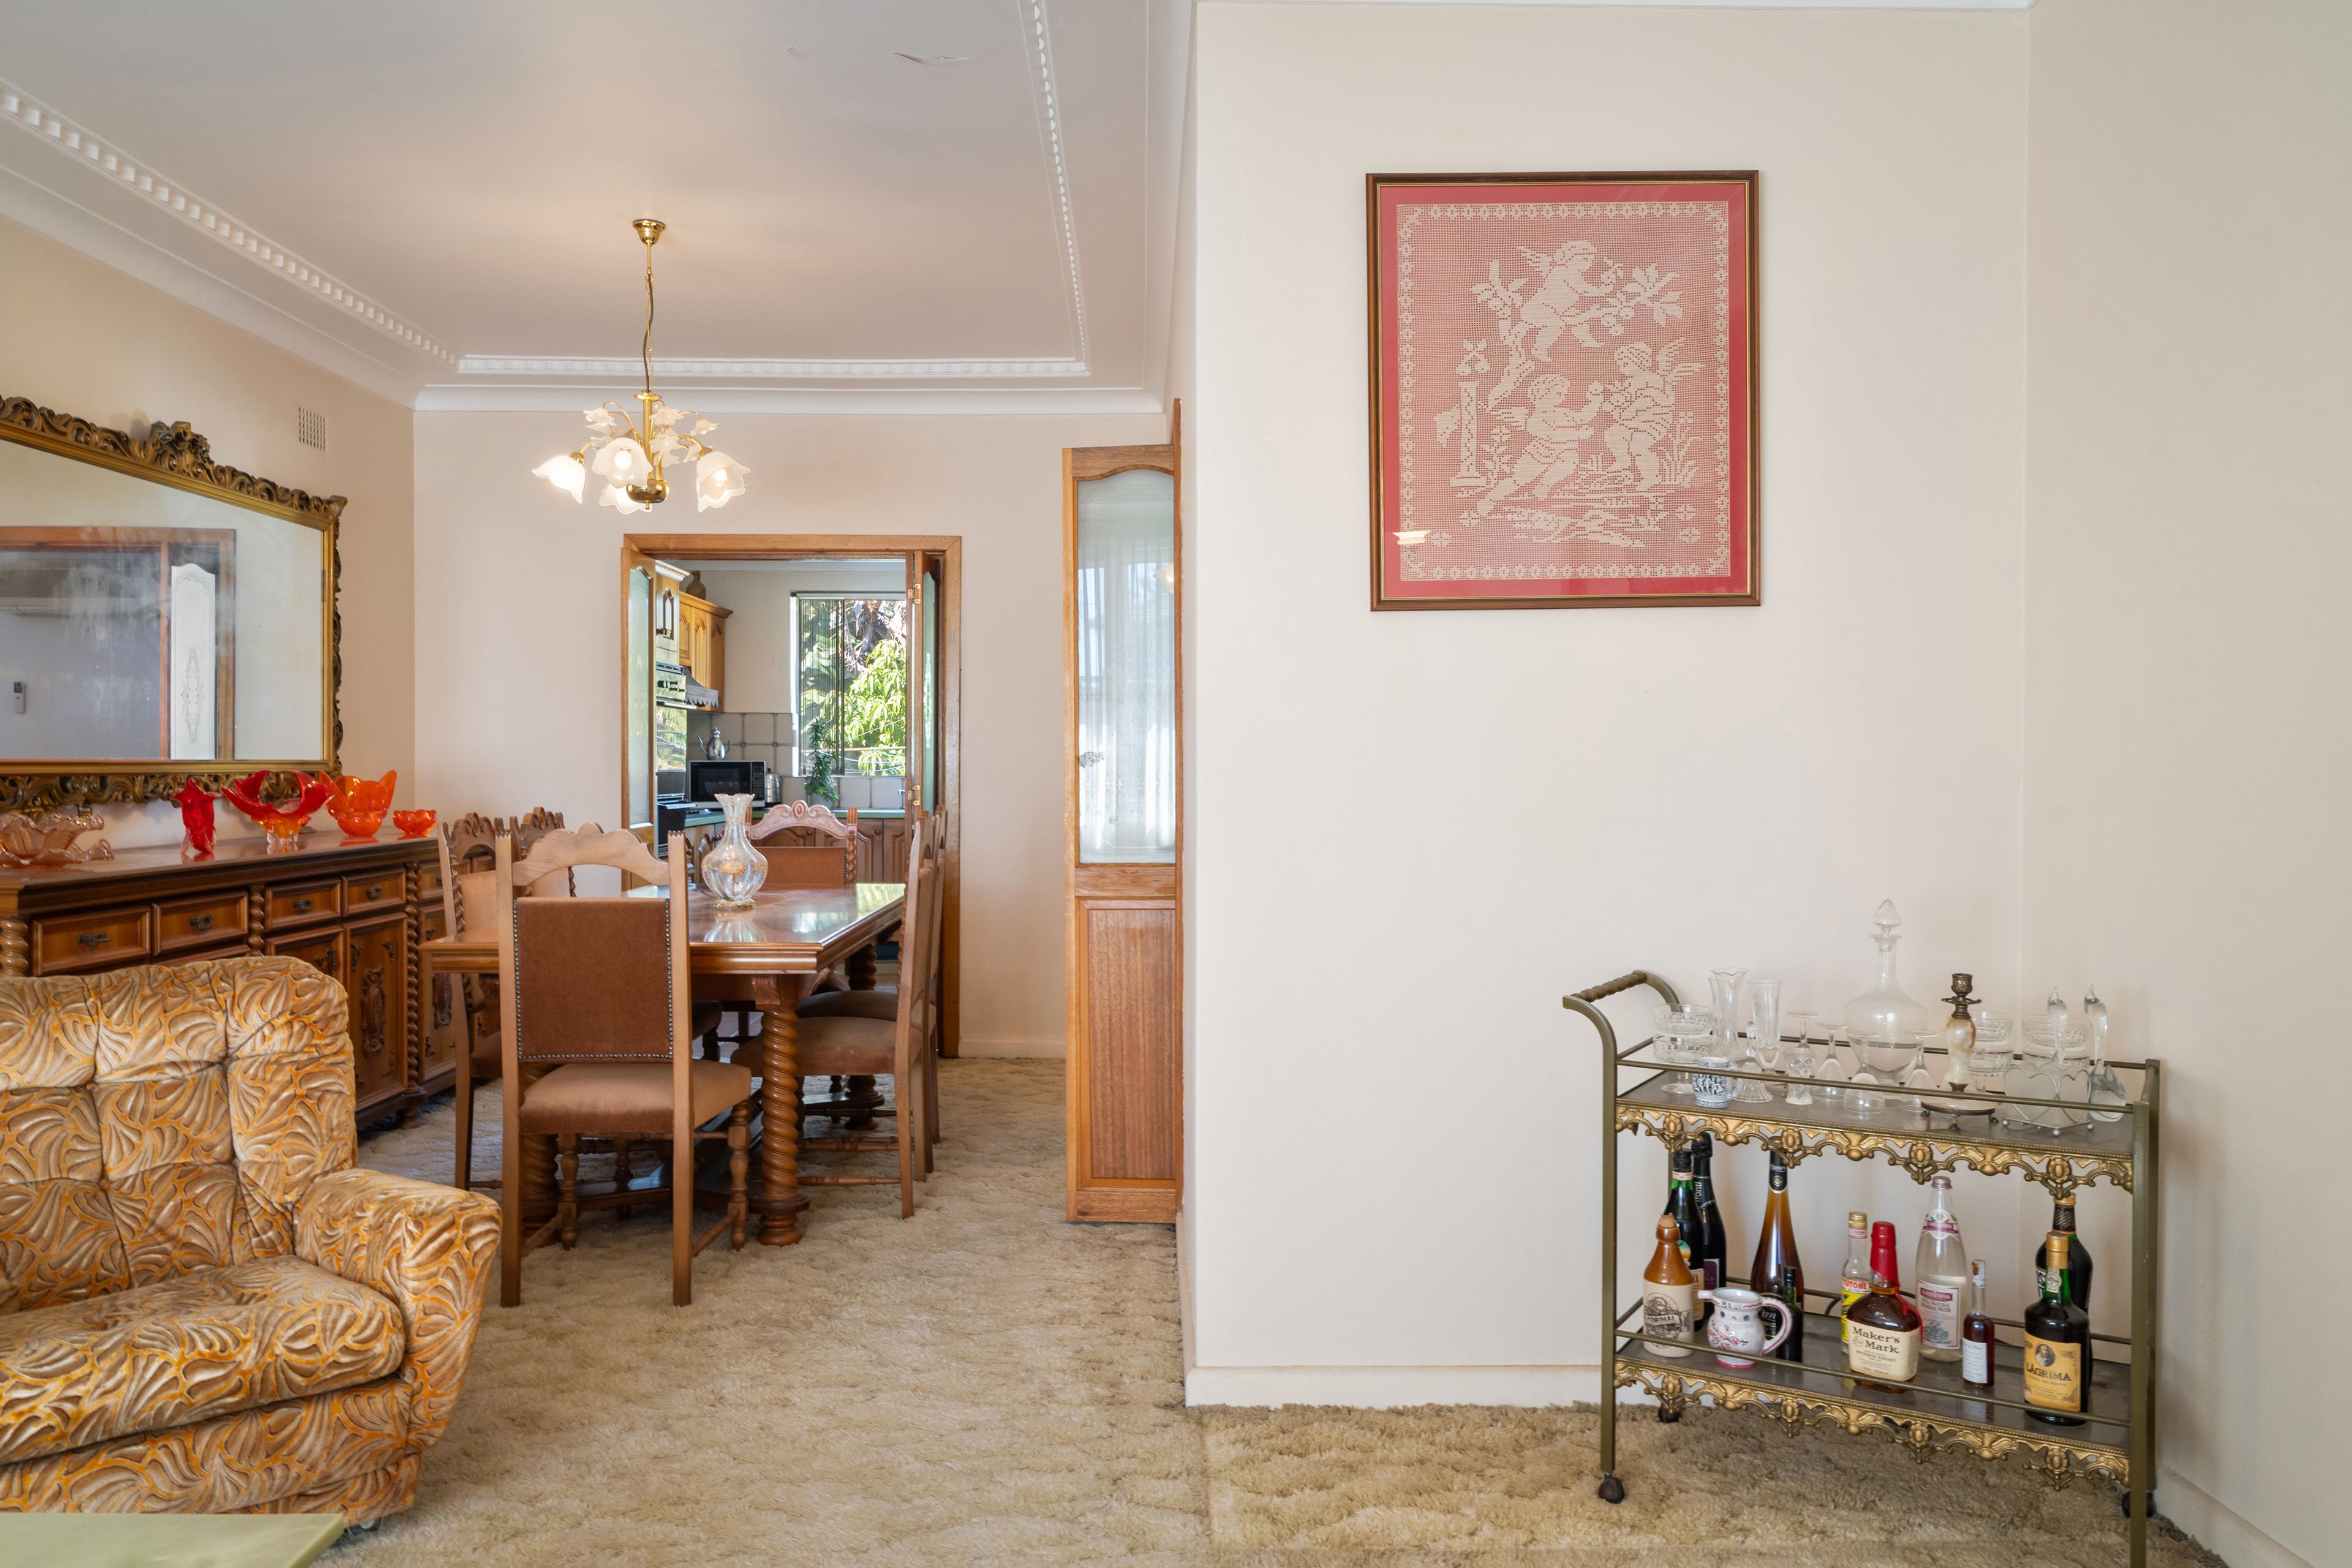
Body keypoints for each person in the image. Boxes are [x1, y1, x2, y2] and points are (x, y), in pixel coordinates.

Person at [1474, 375, 1605, 516]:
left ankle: (1543, 487)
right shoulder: (1537, 417)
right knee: (1519, 479)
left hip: (1563, 453)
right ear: (1543, 394)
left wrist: (1595, 401)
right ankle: (1490, 500)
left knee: (1570, 460)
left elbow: (1583, 417)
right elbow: (1551, 434)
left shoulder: (1563, 413)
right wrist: (1578, 435)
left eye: (1563, 393)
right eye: (1559, 393)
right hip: (1537, 455)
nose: (1563, 396)